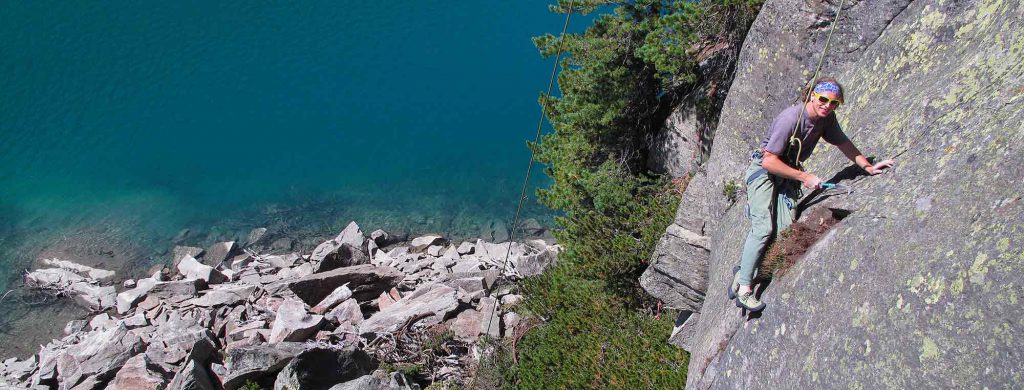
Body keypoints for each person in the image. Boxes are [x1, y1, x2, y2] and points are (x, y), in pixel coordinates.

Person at [728, 77, 895, 312]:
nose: (827, 106)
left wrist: (867, 166)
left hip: (787, 176)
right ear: (813, 95)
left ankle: (746, 271)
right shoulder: (791, 119)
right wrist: (804, 177)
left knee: (784, 231)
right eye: (823, 99)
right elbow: (768, 161)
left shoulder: (826, 120)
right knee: (764, 227)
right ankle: (745, 288)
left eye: (834, 103)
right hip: (765, 173)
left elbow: (843, 143)